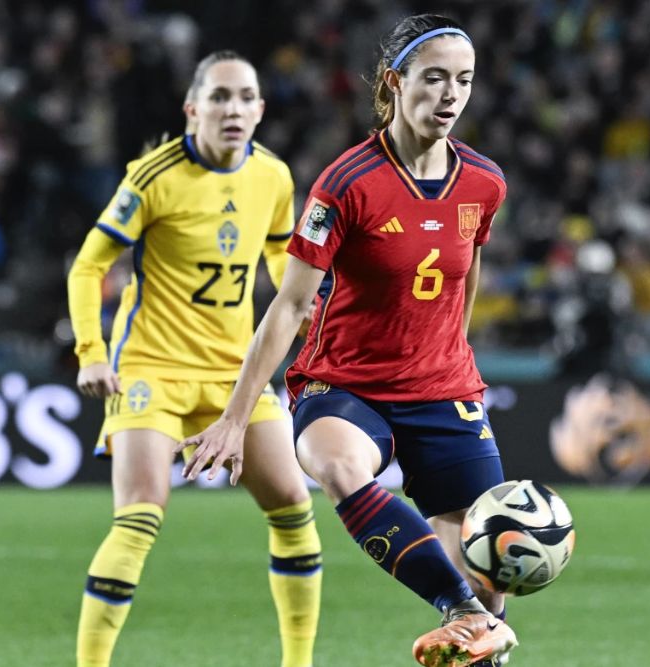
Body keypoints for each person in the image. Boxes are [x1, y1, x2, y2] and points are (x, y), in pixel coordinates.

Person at [180, 15, 517, 667]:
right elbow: (290, 305)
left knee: (489, 566)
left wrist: (452, 349)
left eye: (465, 81)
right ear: (394, 82)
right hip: (344, 384)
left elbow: (466, 266)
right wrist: (233, 414)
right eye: (436, 78)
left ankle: (477, 615)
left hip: (443, 388)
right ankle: (464, 612)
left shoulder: (484, 183)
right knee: (341, 468)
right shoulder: (347, 183)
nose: (451, 95)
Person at [67, 51, 321, 667]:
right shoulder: (153, 176)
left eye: (244, 98)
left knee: (292, 504)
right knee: (140, 514)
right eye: (219, 97)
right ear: (193, 108)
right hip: (151, 367)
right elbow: (88, 265)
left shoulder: (275, 177)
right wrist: (91, 352)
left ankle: (299, 662)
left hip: (236, 372)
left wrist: (304, 307)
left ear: (260, 109)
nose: (232, 109)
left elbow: (280, 253)